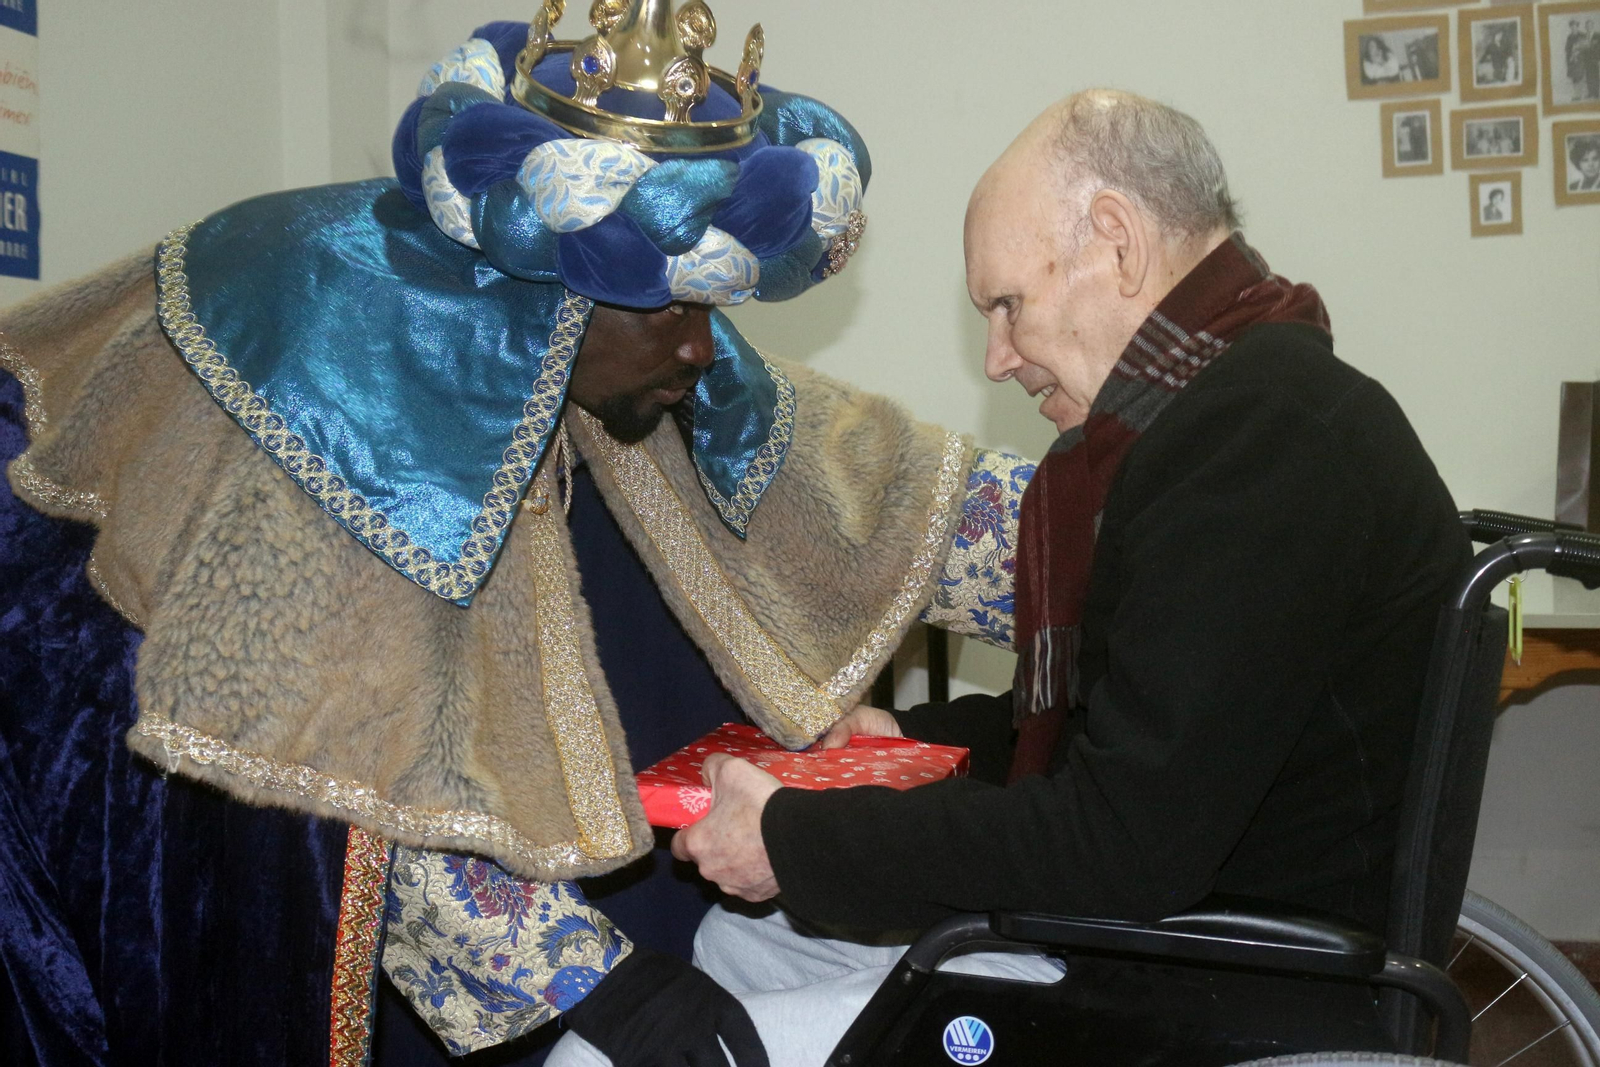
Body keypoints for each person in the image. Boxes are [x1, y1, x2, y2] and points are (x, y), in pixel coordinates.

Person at [0, 5, 1029, 1065]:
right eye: (669, 308)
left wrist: (1114, 512)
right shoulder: (341, 418)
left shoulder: (624, 360)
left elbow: (873, 481)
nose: (702, 348)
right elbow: (346, 781)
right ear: (542, 297)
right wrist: (596, 979)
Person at [641, 88, 1470, 1067]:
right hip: (1170, 930)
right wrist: (904, 741)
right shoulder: (1239, 415)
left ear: (1116, 240)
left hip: (1221, 984)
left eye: (1007, 305)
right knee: (731, 943)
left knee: (649, 1051)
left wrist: (796, 839)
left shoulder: (1262, 442)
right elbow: (1118, 731)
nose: (997, 359)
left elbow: (1121, 838)